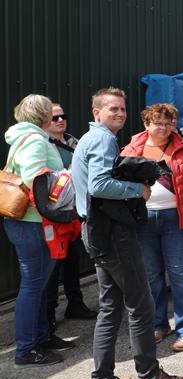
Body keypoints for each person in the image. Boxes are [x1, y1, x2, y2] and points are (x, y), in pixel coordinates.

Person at [72, 87, 183, 379]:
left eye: (123, 109)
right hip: (113, 233)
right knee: (142, 306)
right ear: (96, 112)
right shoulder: (102, 139)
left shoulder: (89, 138)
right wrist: (139, 190)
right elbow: (99, 185)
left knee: (111, 307)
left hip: (96, 231)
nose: (120, 113)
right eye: (113, 108)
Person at [121, 103, 183, 353]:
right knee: (152, 276)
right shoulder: (132, 149)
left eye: (168, 123)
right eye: (158, 123)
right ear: (146, 124)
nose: (164, 127)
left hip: (176, 219)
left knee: (179, 274)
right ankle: (158, 325)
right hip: (143, 220)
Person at [5, 94, 76, 368]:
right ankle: (26, 350)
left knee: (40, 284)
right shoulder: (35, 139)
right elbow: (35, 178)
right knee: (34, 285)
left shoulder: (26, 136)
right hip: (32, 223)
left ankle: (42, 337)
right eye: (51, 112)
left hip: (32, 222)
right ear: (43, 114)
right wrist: (66, 177)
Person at [44, 103, 98, 330]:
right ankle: (48, 313)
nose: (60, 120)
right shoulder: (42, 144)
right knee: (53, 263)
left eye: (63, 116)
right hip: (52, 213)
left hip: (75, 211)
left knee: (73, 259)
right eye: (54, 117)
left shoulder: (75, 142)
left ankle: (75, 303)